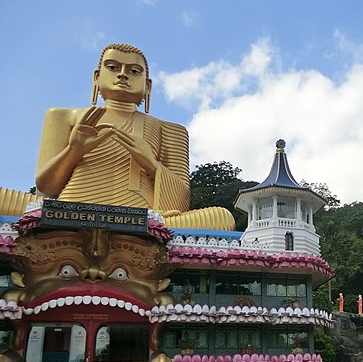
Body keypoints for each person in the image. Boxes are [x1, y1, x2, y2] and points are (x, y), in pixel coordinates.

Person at [31, 43, 233, 230]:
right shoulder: (64, 116)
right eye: (112, 67)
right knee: (1, 198)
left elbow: (180, 202)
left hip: (143, 217)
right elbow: (47, 186)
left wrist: (150, 163)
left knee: (222, 218)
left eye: (134, 71)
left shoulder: (169, 130)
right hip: (68, 209)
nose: (122, 75)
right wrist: (74, 151)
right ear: (96, 76)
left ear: (147, 86)